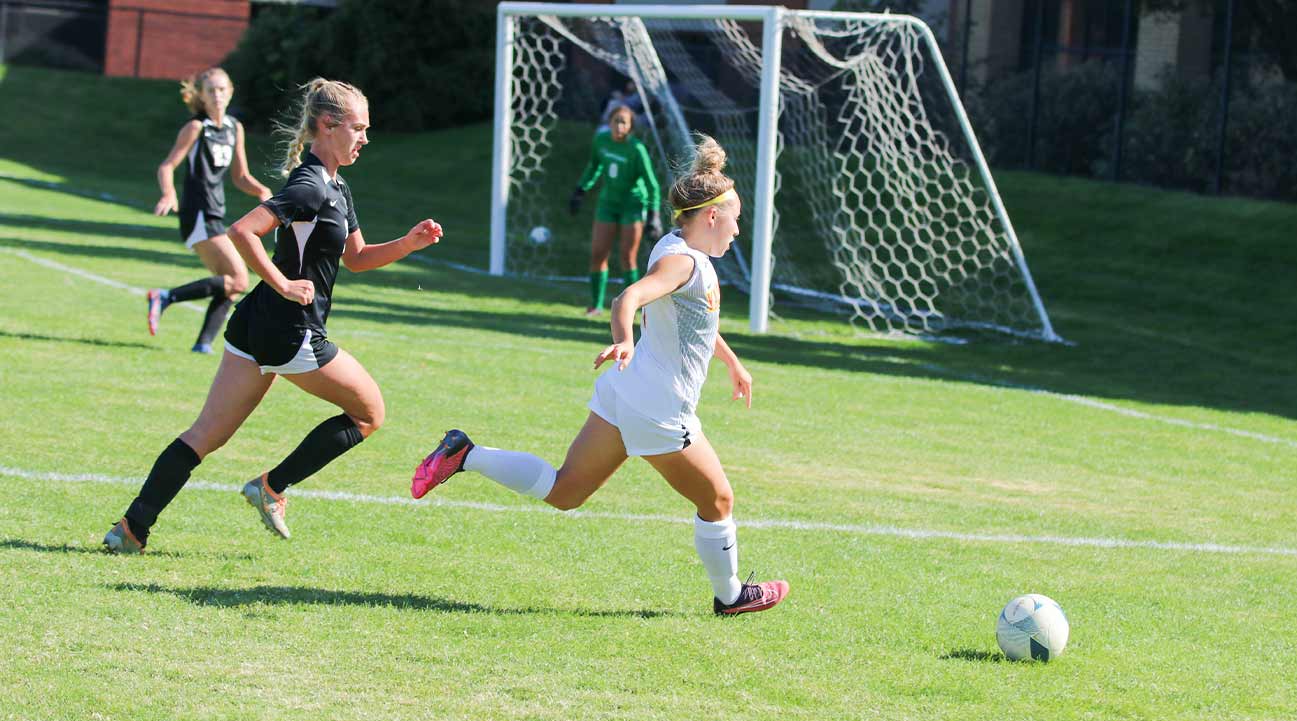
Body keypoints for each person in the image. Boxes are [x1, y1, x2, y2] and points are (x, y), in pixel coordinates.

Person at [414, 135, 788, 617]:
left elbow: (692, 323)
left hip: (625, 393)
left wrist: (732, 361)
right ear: (712, 217)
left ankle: (465, 454)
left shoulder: (673, 246)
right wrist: (625, 339)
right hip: (657, 405)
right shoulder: (685, 262)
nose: (739, 228)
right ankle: (731, 595)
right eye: (735, 216)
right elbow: (627, 299)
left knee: (565, 491)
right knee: (718, 498)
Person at [103, 78, 444, 553]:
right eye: (358, 128)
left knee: (204, 436)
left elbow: (358, 257)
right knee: (369, 413)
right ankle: (272, 487)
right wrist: (282, 283)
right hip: (291, 331)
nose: (365, 138)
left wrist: (408, 244)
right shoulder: (309, 186)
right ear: (327, 126)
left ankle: (131, 529)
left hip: (253, 325)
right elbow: (245, 230)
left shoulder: (337, 186)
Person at [146, 67, 272, 353]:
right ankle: (164, 297)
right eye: (211, 90)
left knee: (230, 284)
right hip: (198, 213)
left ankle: (202, 345)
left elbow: (240, 176)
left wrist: (261, 191)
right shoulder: (196, 128)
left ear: (230, 92)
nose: (217, 95)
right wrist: (168, 193)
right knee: (239, 279)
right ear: (201, 96)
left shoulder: (233, 128)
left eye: (222, 89)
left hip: (216, 211)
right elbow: (167, 165)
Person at [569, 106, 662, 315]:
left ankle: (635, 308)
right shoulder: (601, 141)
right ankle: (596, 306)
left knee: (627, 257)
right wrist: (580, 190)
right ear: (609, 122)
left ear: (630, 127)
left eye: (624, 122)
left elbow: (652, 184)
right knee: (598, 253)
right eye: (616, 121)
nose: (619, 126)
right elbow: (594, 166)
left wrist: (653, 215)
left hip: (632, 206)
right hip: (608, 204)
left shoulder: (636, 149)